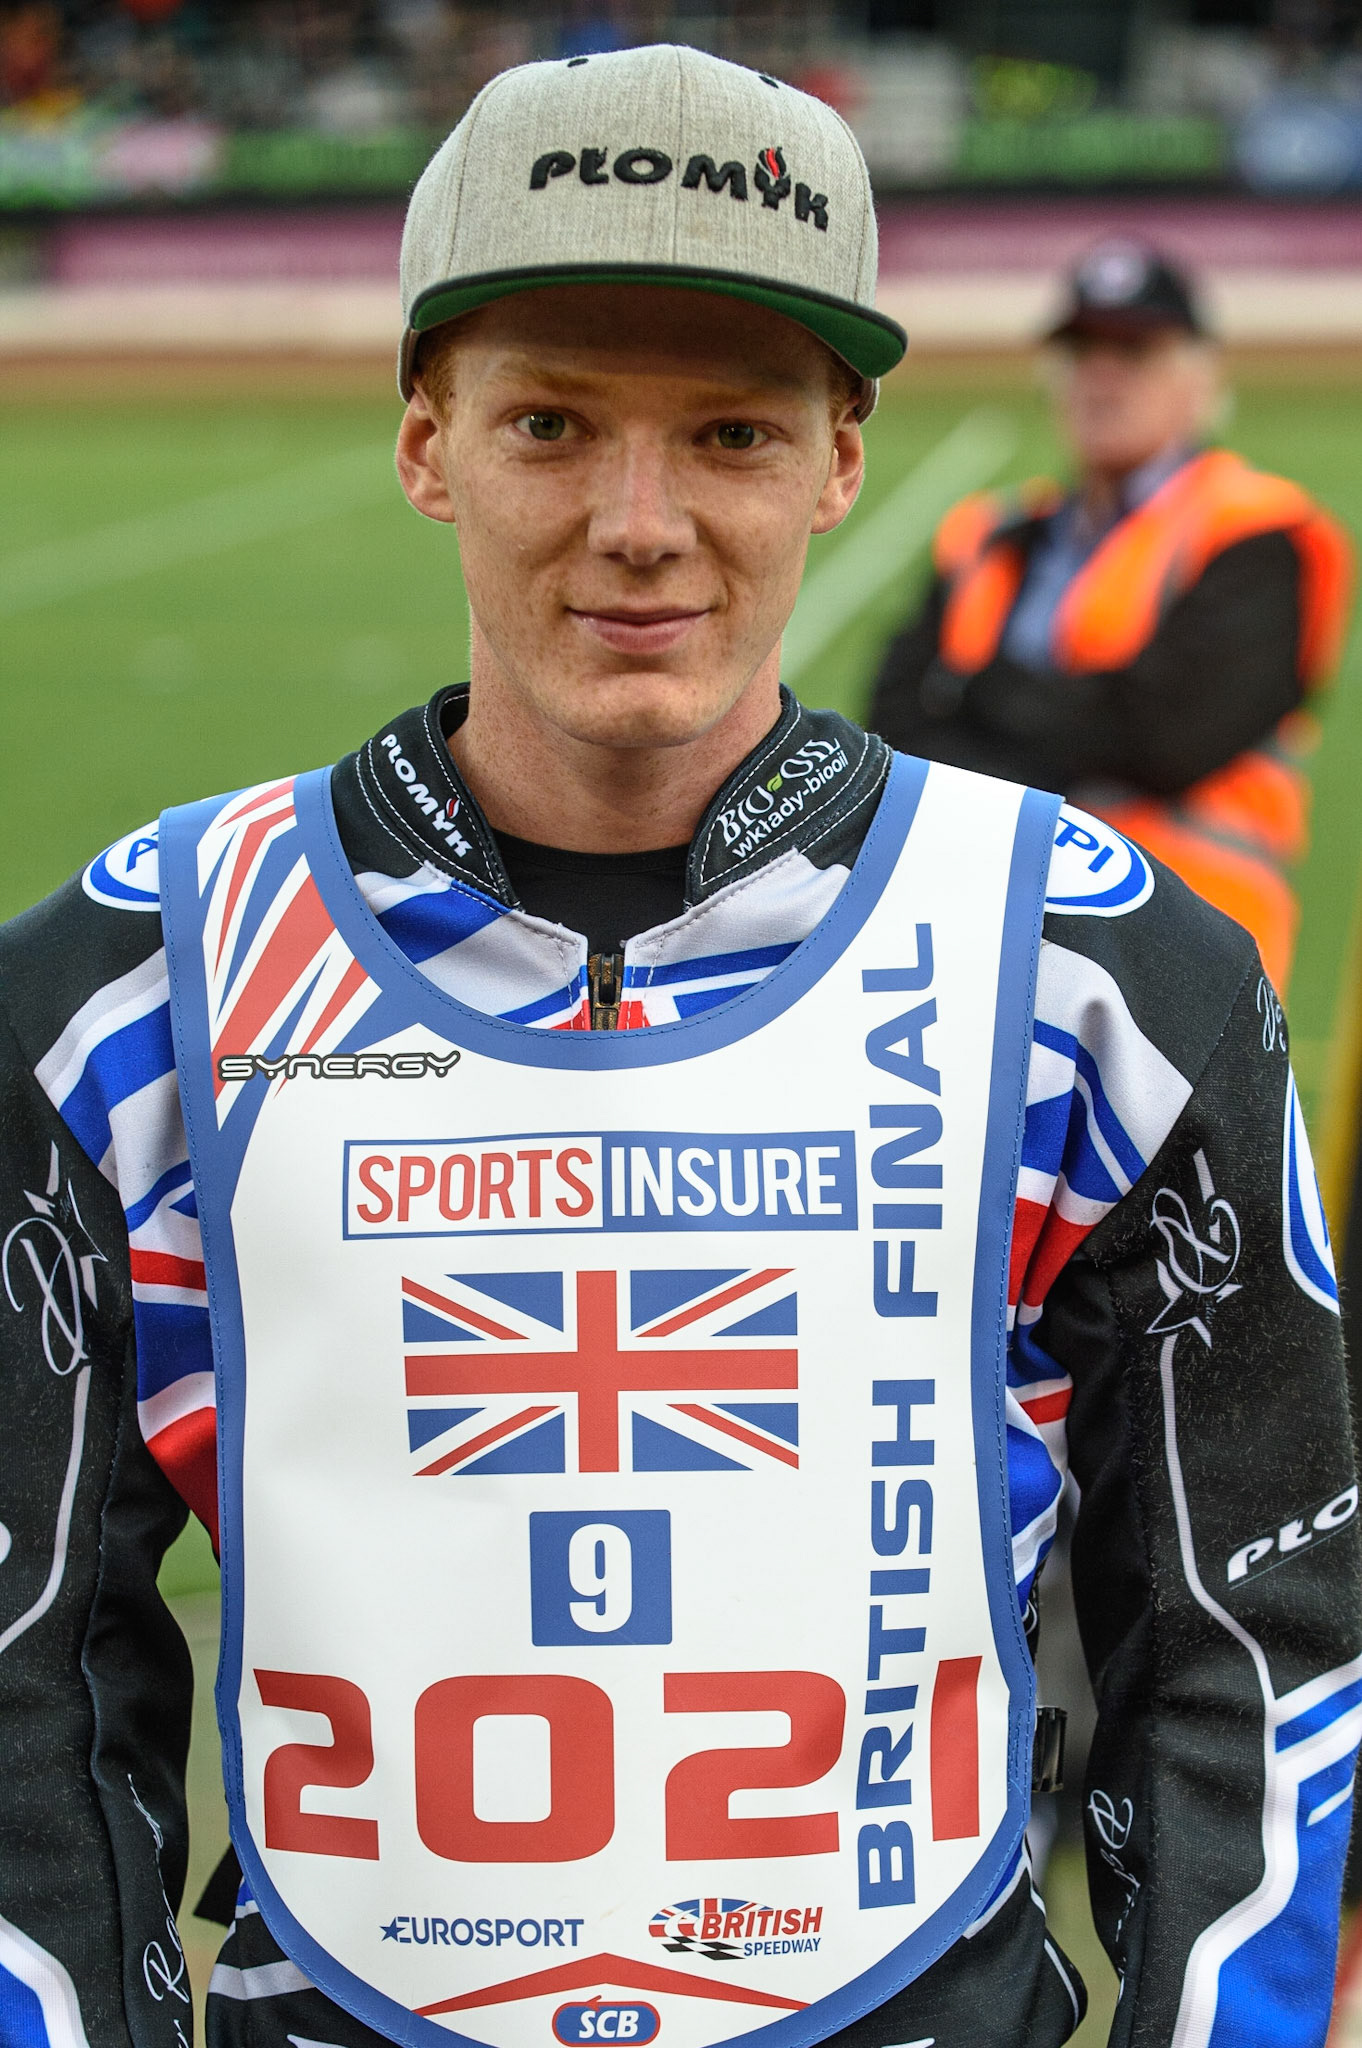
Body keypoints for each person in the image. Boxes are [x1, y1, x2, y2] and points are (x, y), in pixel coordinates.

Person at [0, 48, 1358, 2048]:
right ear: (427, 441)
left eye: (729, 433)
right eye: (552, 422)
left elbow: (1254, 1643)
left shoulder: (1101, 980)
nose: (640, 525)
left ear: (837, 462)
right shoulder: (131, 988)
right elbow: (29, 1686)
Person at [867, 240, 1354, 994]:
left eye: (1134, 351)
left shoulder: (1259, 533)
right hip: (983, 942)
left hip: (1184, 964)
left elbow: (1165, 738)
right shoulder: (986, 534)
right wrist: (1078, 720)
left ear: (1201, 376)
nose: (1101, 374)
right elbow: (895, 728)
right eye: (1082, 351)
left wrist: (975, 692)